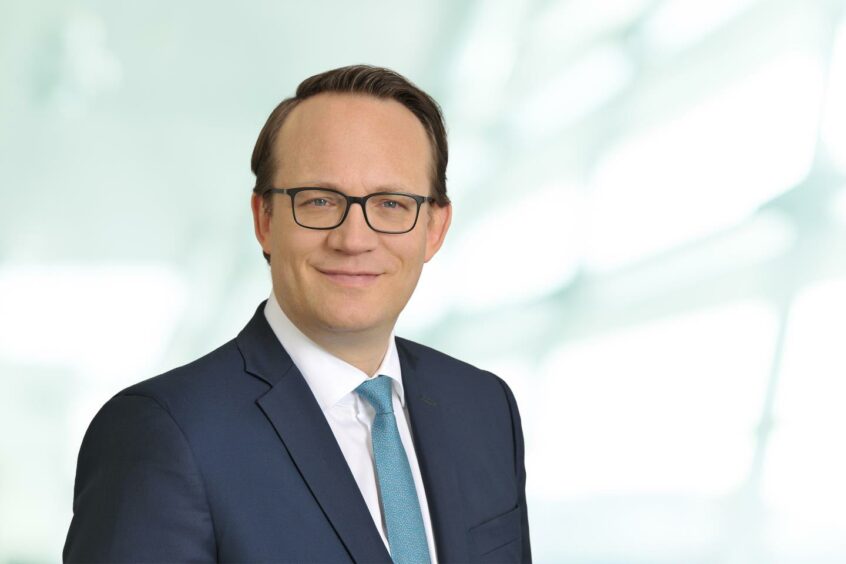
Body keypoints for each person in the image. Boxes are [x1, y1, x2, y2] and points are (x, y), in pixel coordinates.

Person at [64, 65, 531, 563]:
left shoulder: (484, 408)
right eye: (320, 201)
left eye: (391, 203)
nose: (353, 239)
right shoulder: (162, 433)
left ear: (435, 228)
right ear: (264, 220)